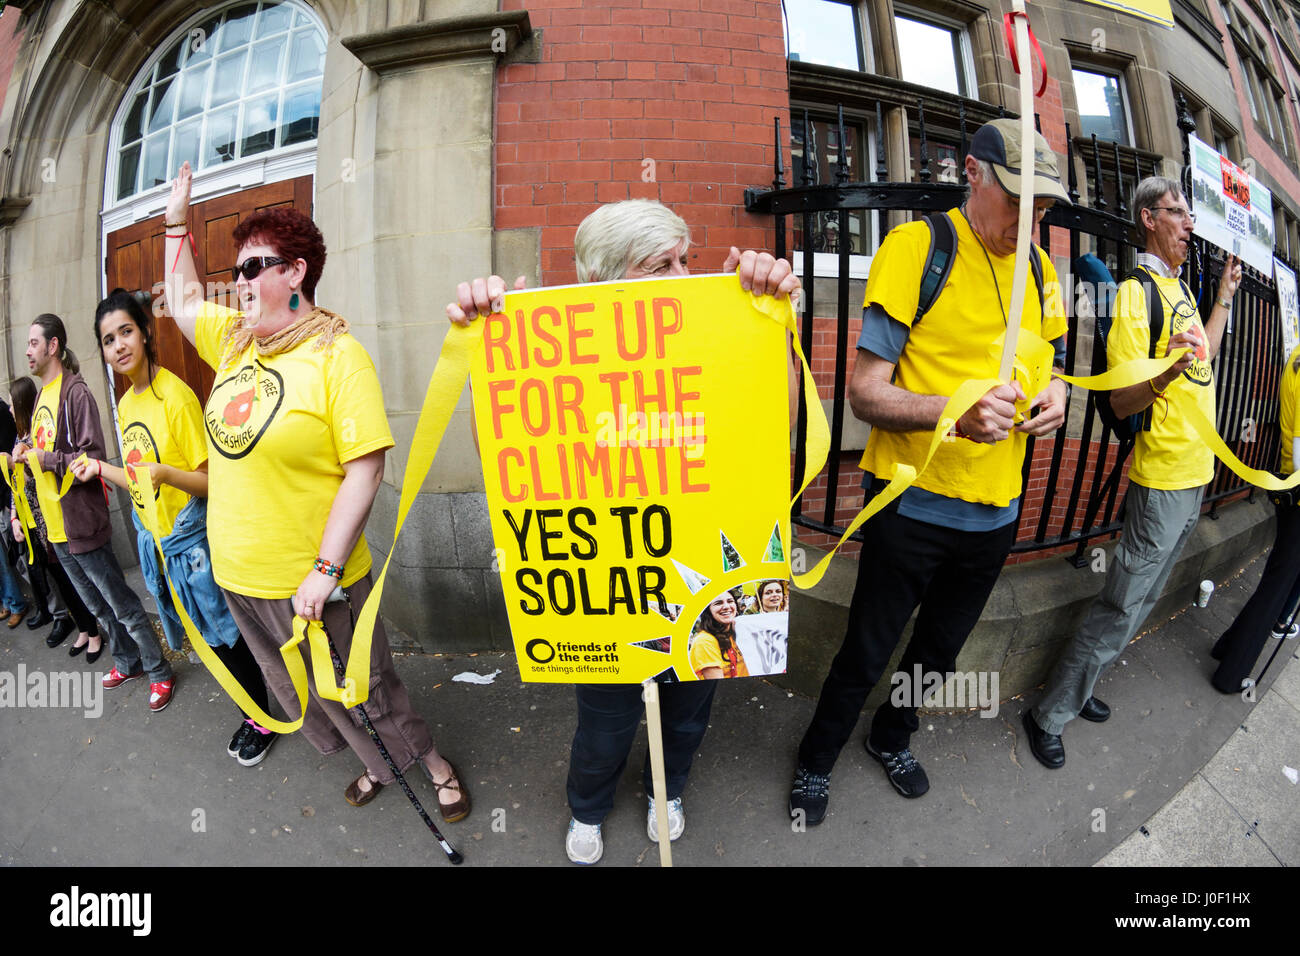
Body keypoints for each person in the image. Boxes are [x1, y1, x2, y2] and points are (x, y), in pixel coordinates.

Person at [447, 197, 800, 864]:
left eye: (685, 260)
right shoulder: (566, 358)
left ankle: (666, 792)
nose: (683, 275)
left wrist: (769, 329)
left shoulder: (713, 339)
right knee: (603, 727)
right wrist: (496, 359)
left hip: (702, 584)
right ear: (605, 280)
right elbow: (507, 455)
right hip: (609, 591)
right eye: (658, 265)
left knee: (690, 714)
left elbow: (773, 425)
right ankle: (588, 808)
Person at [161, 161, 469, 816]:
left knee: (366, 688)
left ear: (295, 272)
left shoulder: (336, 356)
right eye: (236, 270)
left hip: (314, 582)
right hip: (242, 578)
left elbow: (366, 468)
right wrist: (173, 221)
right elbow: (184, 300)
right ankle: (377, 770)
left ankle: (434, 765)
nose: (238, 283)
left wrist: (326, 570)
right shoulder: (235, 342)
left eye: (252, 268)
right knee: (308, 694)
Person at [789, 118, 1071, 824]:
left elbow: (1054, 365)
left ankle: (893, 737)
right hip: (913, 505)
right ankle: (816, 758)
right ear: (972, 175)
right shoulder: (918, 249)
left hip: (998, 510)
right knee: (868, 646)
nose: (1031, 220)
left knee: (939, 652)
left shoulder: (1039, 267)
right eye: (1018, 200)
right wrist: (957, 413)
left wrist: (1056, 397)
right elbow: (864, 392)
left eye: (1044, 206)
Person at [1024, 176, 1242, 767]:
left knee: (1142, 599)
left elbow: (1205, 354)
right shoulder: (1132, 295)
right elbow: (1120, 403)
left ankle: (1082, 688)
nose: (1190, 223)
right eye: (1179, 212)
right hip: (1162, 478)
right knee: (1121, 602)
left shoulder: (1183, 291)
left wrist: (1221, 296)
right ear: (1149, 218)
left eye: (1190, 214)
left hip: (1198, 474)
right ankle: (1048, 714)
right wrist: (1167, 373)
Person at [70, 291, 276, 764]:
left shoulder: (176, 397)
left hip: (195, 545)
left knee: (225, 633)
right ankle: (252, 711)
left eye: (126, 332)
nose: (119, 345)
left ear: (145, 332)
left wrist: (165, 474)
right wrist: (100, 470)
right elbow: (141, 480)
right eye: (108, 339)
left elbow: (210, 481)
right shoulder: (127, 404)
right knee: (207, 636)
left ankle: (262, 716)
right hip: (161, 547)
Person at [16, 315, 174, 707]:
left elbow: (91, 457)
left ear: (53, 346)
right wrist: (24, 454)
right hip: (57, 529)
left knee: (120, 602)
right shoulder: (40, 397)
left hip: (82, 523)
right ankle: (127, 661)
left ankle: (159, 670)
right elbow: (44, 448)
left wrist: (45, 458)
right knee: (96, 605)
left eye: (34, 343)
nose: (27, 351)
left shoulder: (76, 393)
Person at [1207, 342, 1300, 691]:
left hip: (1291, 486)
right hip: (1297, 488)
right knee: (1276, 590)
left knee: (1276, 583)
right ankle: (1231, 675)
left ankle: (1228, 647)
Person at [5, 377, 99, 655]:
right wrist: (15, 516)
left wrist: (21, 462)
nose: (10, 409)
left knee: (72, 578)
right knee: (60, 579)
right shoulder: (18, 440)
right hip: (34, 520)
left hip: (52, 519)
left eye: (12, 403)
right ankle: (83, 629)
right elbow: (16, 485)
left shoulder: (35, 438)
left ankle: (93, 632)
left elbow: (42, 474)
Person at [0, 396, 32, 628]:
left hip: (9, 494)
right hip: (8, 497)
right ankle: (9, 601)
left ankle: (19, 603)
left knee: (19, 555)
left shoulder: (1, 412)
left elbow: (8, 459)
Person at [688, 590, 748, 679]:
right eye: (718, 603)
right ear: (708, 610)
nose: (726, 606)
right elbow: (719, 686)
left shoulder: (739, 633)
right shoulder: (704, 641)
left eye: (730, 601)